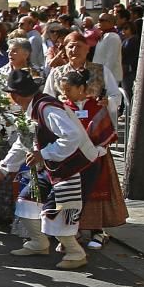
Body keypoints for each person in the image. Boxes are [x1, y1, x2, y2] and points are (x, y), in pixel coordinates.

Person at [0, 69, 97, 270]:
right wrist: (3, 170)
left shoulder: (46, 108)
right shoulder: (31, 110)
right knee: (26, 200)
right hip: (55, 167)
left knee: (57, 210)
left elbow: (72, 136)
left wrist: (43, 154)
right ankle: (39, 243)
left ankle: (75, 253)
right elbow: (23, 143)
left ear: (14, 96)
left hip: (77, 166)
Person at [58, 67, 127, 247]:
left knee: (97, 193)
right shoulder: (64, 108)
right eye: (62, 91)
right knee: (72, 193)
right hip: (72, 160)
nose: (65, 94)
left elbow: (106, 130)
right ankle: (73, 231)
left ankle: (97, 231)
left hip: (97, 157)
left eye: (68, 90)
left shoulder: (96, 106)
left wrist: (99, 149)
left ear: (81, 88)